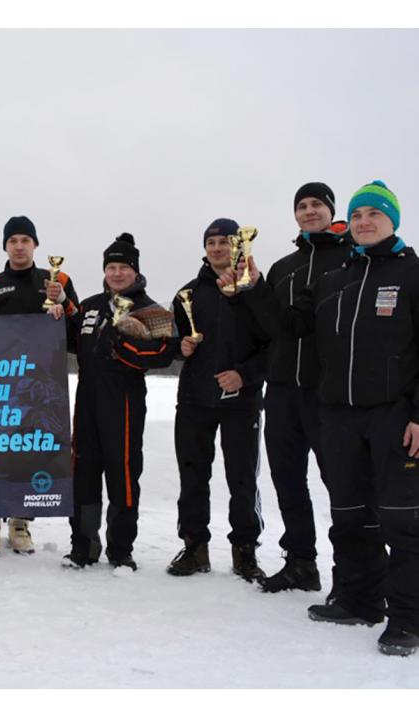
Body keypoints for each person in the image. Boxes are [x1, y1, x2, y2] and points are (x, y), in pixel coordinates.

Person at [234, 180, 419, 657]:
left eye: (373, 215)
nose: (364, 223)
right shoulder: (334, 278)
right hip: (337, 413)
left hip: (393, 414)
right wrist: (254, 287)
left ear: (392, 221)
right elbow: (287, 328)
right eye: (358, 216)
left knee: (400, 519)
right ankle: (359, 599)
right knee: (350, 514)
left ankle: (407, 617)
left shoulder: (412, 273)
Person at [256, 183, 351, 593]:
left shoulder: (351, 258)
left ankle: (355, 573)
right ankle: (300, 563)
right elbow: (268, 330)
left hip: (327, 393)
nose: (309, 211)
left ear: (331, 210)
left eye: (317, 205)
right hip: (280, 391)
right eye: (302, 206)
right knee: (288, 480)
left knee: (342, 483)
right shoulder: (283, 268)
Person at [64, 233, 177, 569]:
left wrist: (121, 345)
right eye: (111, 267)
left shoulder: (151, 309)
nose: (116, 273)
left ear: (135, 271)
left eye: (122, 267)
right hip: (86, 400)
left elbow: (162, 354)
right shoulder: (90, 305)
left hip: (124, 402)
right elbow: (72, 341)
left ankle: (120, 548)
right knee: (82, 471)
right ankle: (83, 544)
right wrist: (55, 317)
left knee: (122, 472)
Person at [0, 215, 78, 557]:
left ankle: (21, 521)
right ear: (5, 245)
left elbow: (75, 334)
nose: (19, 246)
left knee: (31, 452)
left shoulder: (57, 281)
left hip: (42, 387)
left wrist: (64, 304)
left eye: (25, 240)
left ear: (35, 245)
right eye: (13, 240)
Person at [167, 218, 269, 582]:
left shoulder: (255, 289)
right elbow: (174, 343)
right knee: (192, 475)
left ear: (236, 246)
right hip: (195, 399)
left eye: (224, 241)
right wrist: (180, 348)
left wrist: (245, 374)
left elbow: (274, 343)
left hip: (241, 402)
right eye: (211, 242)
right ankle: (195, 546)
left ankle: (245, 550)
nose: (217, 248)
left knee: (242, 478)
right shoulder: (188, 293)